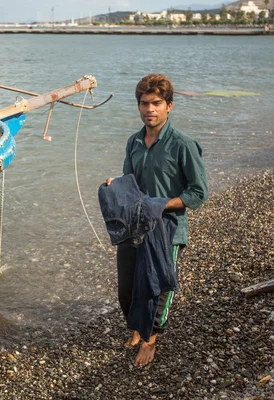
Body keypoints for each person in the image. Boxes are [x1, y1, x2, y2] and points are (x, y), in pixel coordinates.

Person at [105, 74, 208, 366]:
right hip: (134, 225)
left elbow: (198, 193)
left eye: (156, 103)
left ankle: (150, 340)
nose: (149, 109)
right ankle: (137, 328)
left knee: (157, 286)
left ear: (169, 106)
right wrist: (117, 184)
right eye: (144, 103)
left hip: (167, 228)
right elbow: (130, 180)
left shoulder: (183, 145)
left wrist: (161, 204)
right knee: (128, 287)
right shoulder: (134, 142)